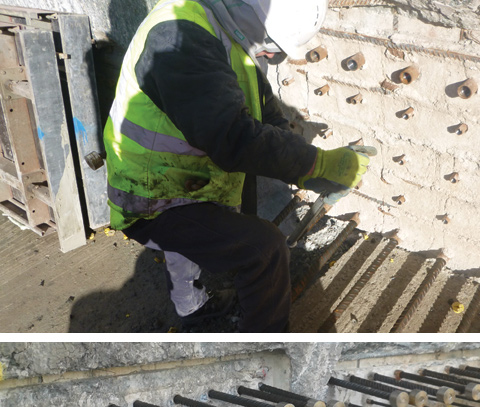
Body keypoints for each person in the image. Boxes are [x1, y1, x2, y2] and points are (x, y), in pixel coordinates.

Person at [103, 0, 371, 332]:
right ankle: (262, 346)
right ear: (250, 15)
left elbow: (267, 116)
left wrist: (308, 172)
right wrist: (316, 163)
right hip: (149, 193)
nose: (272, 57)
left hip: (184, 180)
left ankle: (191, 308)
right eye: (272, 47)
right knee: (264, 249)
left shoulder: (227, 35)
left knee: (208, 230)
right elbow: (231, 137)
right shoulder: (178, 36)